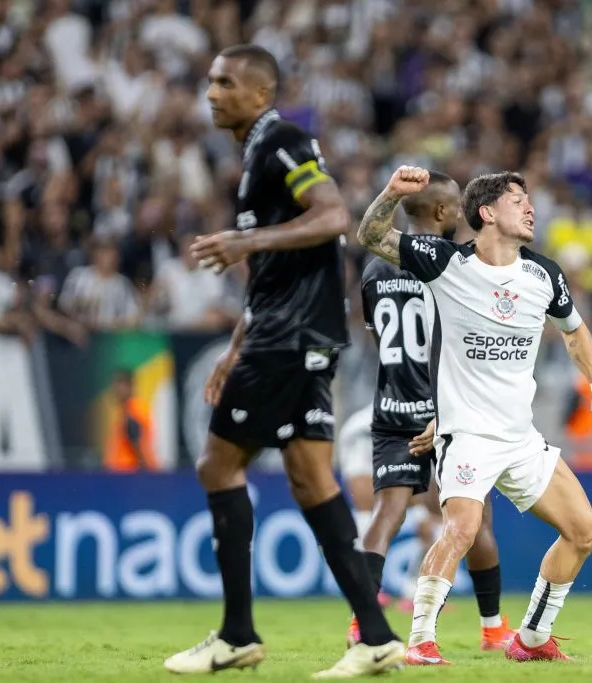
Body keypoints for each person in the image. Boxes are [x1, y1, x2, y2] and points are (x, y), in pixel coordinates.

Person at [163, 45, 404, 677]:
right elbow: (275, 273)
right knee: (310, 480)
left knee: (218, 465)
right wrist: (237, 344)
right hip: (290, 334)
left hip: (291, 338)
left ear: (260, 94)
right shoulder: (255, 155)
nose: (212, 92)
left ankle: (236, 633)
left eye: (226, 82)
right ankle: (375, 637)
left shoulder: (282, 141)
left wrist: (246, 239)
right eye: (210, 81)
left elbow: (333, 215)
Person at [356, 166, 592, 665]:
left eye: (528, 199)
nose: (529, 208)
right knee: (462, 527)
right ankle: (420, 643)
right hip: (467, 434)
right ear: (487, 213)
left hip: (520, 439)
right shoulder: (445, 263)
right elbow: (370, 236)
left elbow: (574, 331)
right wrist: (390, 192)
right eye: (517, 200)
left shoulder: (544, 275)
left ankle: (532, 638)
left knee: (585, 530)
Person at [350, 171, 516, 652]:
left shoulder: (372, 269)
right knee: (476, 520)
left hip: (392, 406)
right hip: (447, 412)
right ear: (442, 213)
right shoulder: (456, 264)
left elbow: (377, 335)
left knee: (388, 513)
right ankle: (492, 630)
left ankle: (361, 626)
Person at [103, 369, 158, 472]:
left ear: (130, 386)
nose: (115, 389)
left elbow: (136, 439)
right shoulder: (127, 409)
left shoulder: (134, 409)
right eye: (114, 384)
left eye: (119, 384)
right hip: (125, 473)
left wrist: (146, 470)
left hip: (129, 473)